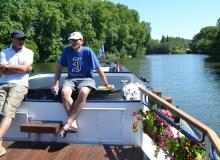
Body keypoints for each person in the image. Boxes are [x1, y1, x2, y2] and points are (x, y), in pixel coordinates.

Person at [51, 31, 114, 138]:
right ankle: (72, 123)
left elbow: (98, 69)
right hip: (71, 79)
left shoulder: (88, 51)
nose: (73, 42)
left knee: (84, 91)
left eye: (76, 40)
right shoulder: (66, 50)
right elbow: (59, 68)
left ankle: (67, 124)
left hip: (86, 79)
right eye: (72, 40)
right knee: (64, 92)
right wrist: (56, 84)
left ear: (82, 41)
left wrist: (106, 84)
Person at [0, 29, 34, 156]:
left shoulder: (29, 52)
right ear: (12, 39)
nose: (22, 41)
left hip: (20, 85)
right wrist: (21, 69)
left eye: (23, 39)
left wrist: (8, 67)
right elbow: (2, 71)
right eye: (19, 39)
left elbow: (25, 68)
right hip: (3, 83)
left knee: (7, 111)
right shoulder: (4, 52)